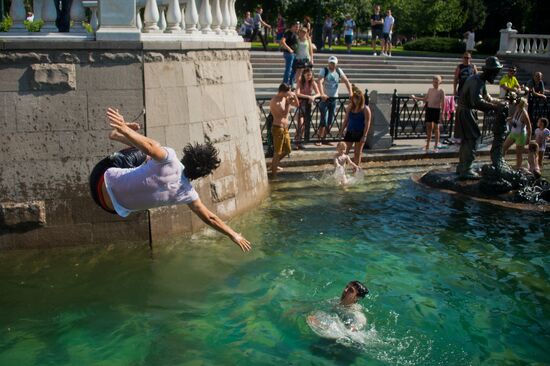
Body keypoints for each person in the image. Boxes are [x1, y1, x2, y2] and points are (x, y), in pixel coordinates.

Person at [89, 108, 251, 252]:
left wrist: (125, 129)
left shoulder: (170, 158)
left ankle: (117, 135)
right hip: (110, 207)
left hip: (100, 179)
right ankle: (123, 135)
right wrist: (233, 235)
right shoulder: (189, 195)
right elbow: (210, 218)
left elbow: (151, 147)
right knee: (151, 157)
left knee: (154, 149)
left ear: (187, 154)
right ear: (202, 174)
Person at [456, 56, 505, 180]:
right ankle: (466, 169)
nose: (496, 76)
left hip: (465, 111)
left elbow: (486, 97)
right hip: (466, 111)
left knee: (467, 139)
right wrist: (495, 108)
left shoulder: (479, 80)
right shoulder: (477, 80)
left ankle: (462, 166)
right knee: (473, 138)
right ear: (489, 71)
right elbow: (476, 101)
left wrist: (499, 102)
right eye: (495, 73)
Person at [317, 56, 353, 146]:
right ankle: (318, 138)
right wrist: (322, 94)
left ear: (336, 64)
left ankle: (325, 138)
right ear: (328, 63)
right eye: (330, 63)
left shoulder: (338, 71)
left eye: (333, 63)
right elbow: (319, 81)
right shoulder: (324, 70)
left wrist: (350, 93)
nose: (331, 64)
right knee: (323, 119)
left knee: (331, 119)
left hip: (334, 98)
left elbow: (346, 81)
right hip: (325, 98)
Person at [270, 83, 299, 178]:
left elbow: (297, 105)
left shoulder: (285, 98)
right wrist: (288, 103)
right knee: (277, 152)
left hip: (285, 128)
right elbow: (283, 113)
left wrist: (295, 97)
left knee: (288, 150)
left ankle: (274, 164)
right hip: (278, 128)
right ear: (282, 92)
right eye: (288, 92)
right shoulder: (275, 101)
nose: (289, 94)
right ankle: (274, 175)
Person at [412, 76, 446, 152]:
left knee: (436, 128)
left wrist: (442, 113)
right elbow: (425, 99)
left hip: (436, 110)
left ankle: (436, 146)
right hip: (429, 109)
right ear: (432, 82)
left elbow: (443, 102)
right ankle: (427, 144)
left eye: (436, 82)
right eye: (434, 82)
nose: (435, 83)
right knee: (429, 128)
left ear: (440, 82)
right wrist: (415, 98)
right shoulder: (430, 90)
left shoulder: (441, 90)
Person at [339, 87, 371, 164]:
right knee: (344, 152)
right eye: (354, 99)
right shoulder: (350, 107)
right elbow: (346, 120)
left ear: (361, 99)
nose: (356, 101)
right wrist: (342, 130)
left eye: (357, 99)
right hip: (350, 131)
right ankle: (342, 169)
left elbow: (367, 123)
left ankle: (356, 170)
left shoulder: (365, 109)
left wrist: (365, 136)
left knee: (357, 153)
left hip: (360, 133)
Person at [295, 68, 321, 150]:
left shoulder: (312, 82)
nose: (309, 76)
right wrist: (308, 96)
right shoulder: (300, 81)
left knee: (305, 125)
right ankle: (296, 141)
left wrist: (313, 96)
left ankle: (299, 142)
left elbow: (318, 93)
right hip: (300, 105)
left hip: (308, 106)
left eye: (310, 75)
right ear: (304, 74)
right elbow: (297, 93)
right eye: (307, 75)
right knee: (300, 125)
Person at [503, 98, 532, 169]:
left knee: (518, 153)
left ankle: (518, 167)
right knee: (504, 147)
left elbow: (529, 127)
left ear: (520, 105)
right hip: (513, 133)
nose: (515, 105)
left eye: (517, 104)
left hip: (520, 135)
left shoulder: (524, 114)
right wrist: (507, 119)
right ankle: (502, 162)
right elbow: (513, 117)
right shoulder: (517, 110)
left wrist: (528, 138)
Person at [280, 22, 299, 86]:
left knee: (294, 69)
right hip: (289, 54)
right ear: (292, 26)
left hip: (295, 54)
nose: (297, 28)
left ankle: (291, 83)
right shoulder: (287, 33)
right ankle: (285, 84)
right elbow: (282, 41)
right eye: (296, 27)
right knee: (289, 69)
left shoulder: (295, 34)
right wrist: (289, 49)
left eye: (298, 27)